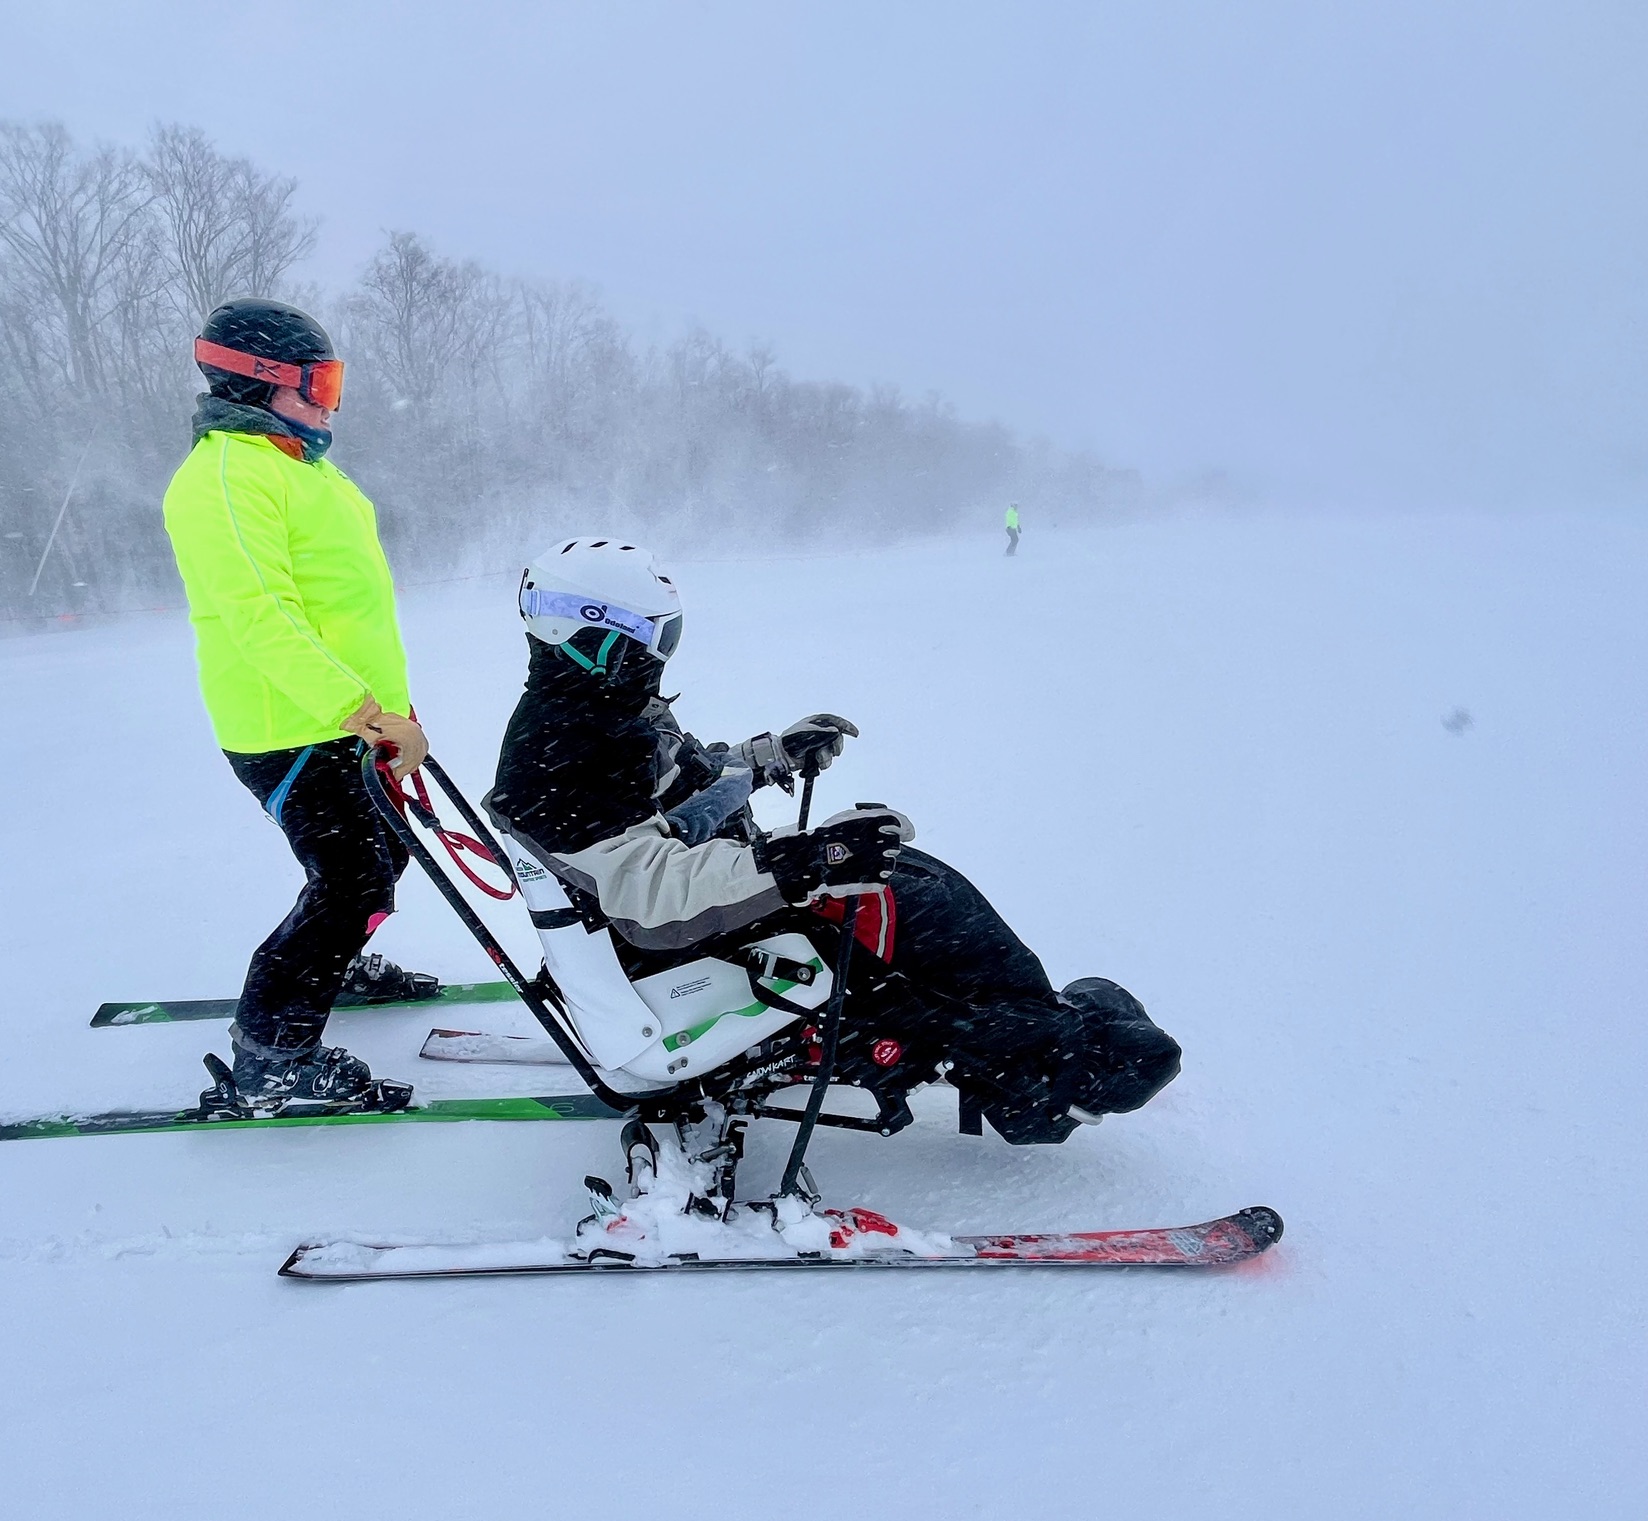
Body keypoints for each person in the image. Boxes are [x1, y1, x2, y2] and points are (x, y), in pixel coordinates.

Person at [485, 537, 1179, 1143]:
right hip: (683, 943)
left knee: (914, 884)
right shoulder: (568, 747)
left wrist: (770, 756)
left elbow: (683, 790)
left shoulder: (590, 710)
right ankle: (1052, 1071)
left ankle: (1038, 1022)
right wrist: (808, 860)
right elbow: (651, 893)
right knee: (903, 918)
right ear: (599, 635)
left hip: (707, 910)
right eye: (656, 637)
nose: (662, 655)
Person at [160, 298, 430, 1107]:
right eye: (317, 383)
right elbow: (260, 616)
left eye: (334, 383)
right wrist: (366, 710)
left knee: (386, 858)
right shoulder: (224, 476)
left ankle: (332, 965)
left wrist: (397, 714)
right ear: (259, 382)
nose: (327, 401)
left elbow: (350, 607)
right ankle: (272, 1051)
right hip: (287, 725)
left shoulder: (300, 466)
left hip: (345, 719)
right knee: (351, 882)